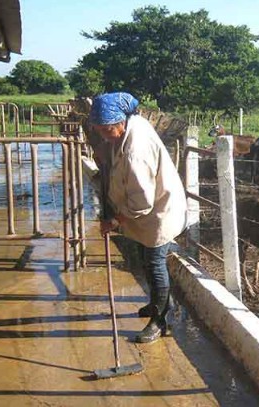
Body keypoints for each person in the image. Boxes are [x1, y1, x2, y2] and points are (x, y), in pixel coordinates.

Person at [89, 92, 188, 343]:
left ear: (120, 124)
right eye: (99, 131)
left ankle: (160, 321)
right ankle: (162, 302)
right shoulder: (132, 123)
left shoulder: (136, 152)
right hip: (147, 209)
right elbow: (113, 147)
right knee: (146, 260)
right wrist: (104, 149)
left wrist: (113, 221)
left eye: (105, 131)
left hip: (157, 211)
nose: (103, 136)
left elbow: (141, 203)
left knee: (154, 264)